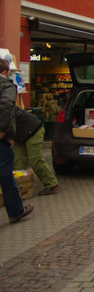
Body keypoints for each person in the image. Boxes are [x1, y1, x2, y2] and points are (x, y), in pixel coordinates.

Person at [0, 59, 33, 222]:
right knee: (6, 176)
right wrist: (2, 131)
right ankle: (16, 211)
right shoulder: (6, 86)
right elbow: (6, 106)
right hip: (1, 140)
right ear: (6, 72)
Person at [13, 106, 60, 195]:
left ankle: (51, 184)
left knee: (35, 159)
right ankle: (21, 187)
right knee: (17, 161)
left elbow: (5, 130)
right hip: (18, 135)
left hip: (33, 130)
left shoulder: (4, 108)